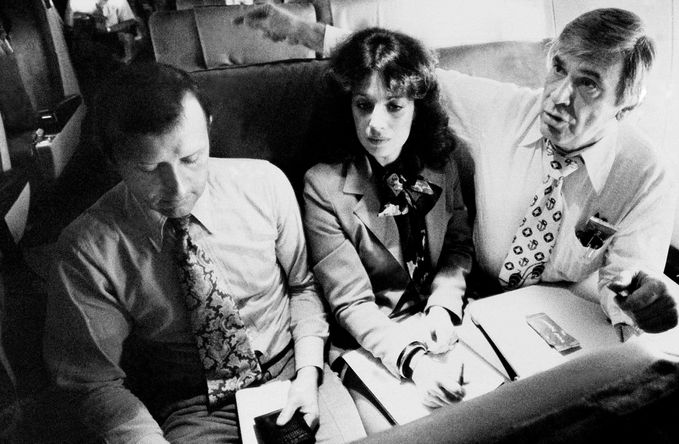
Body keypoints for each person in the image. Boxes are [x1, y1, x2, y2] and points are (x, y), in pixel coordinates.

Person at [244, 6, 679, 339]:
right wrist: (307, 32)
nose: (558, 98)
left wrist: (638, 300)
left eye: (588, 84)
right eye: (558, 68)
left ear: (627, 103)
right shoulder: (506, 109)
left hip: (570, 305)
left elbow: (625, 281)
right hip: (480, 295)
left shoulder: (646, 175)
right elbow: (415, 75)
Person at [43, 63, 365, 443]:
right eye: (149, 169)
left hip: (294, 373)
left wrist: (309, 372)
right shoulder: (86, 250)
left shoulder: (265, 184)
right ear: (113, 160)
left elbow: (302, 288)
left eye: (191, 159)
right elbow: (93, 381)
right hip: (194, 404)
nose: (176, 188)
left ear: (208, 126)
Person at [302, 28, 474, 429]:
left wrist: (443, 307)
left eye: (394, 106)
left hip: (441, 326)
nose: (375, 124)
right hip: (374, 342)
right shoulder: (322, 186)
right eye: (364, 105)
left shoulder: (442, 161)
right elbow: (351, 303)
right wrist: (413, 362)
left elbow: (458, 248)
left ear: (418, 106)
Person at [65, 0, 141, 64]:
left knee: (128, 32)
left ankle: (127, 56)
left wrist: (109, 29)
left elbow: (130, 21)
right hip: (89, 35)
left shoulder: (119, 2)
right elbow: (69, 25)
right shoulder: (76, 2)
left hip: (111, 33)